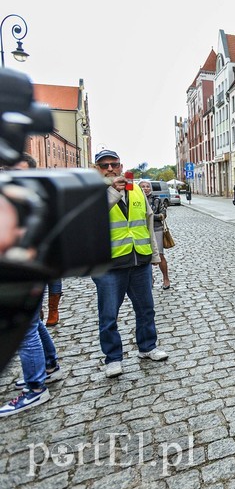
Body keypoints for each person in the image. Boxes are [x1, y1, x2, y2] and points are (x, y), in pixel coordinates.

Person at [92, 150, 168, 378]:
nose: (110, 169)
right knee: (108, 315)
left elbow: (146, 222)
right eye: (104, 166)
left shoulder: (135, 190)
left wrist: (155, 255)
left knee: (146, 309)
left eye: (113, 164)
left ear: (120, 165)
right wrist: (112, 192)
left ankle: (147, 347)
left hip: (139, 260)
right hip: (109, 265)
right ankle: (113, 358)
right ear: (97, 169)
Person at [10, 153, 63, 325]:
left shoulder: (44, 192)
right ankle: (37, 310)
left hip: (48, 245)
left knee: (53, 278)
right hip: (24, 250)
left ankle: (53, 310)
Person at [138, 180, 171, 289]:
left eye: (148, 186)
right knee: (146, 256)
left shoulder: (156, 200)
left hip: (157, 229)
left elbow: (163, 215)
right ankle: (150, 278)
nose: (146, 188)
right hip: (142, 230)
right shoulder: (136, 200)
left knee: (160, 254)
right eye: (143, 186)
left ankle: (166, 278)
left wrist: (151, 216)